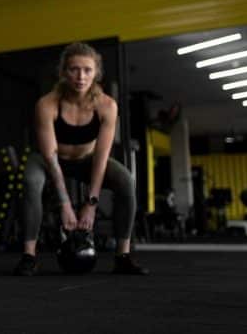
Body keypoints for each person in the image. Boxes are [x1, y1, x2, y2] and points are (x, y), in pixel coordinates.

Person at [13, 42, 149, 276]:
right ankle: (29, 256)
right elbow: (50, 155)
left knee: (126, 180)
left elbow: (101, 156)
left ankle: (123, 256)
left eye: (87, 70)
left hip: (88, 160)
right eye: (74, 69)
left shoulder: (107, 106)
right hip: (50, 160)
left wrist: (91, 204)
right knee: (31, 181)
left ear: (96, 73)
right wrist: (64, 204)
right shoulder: (47, 104)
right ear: (63, 72)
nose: (80, 76)